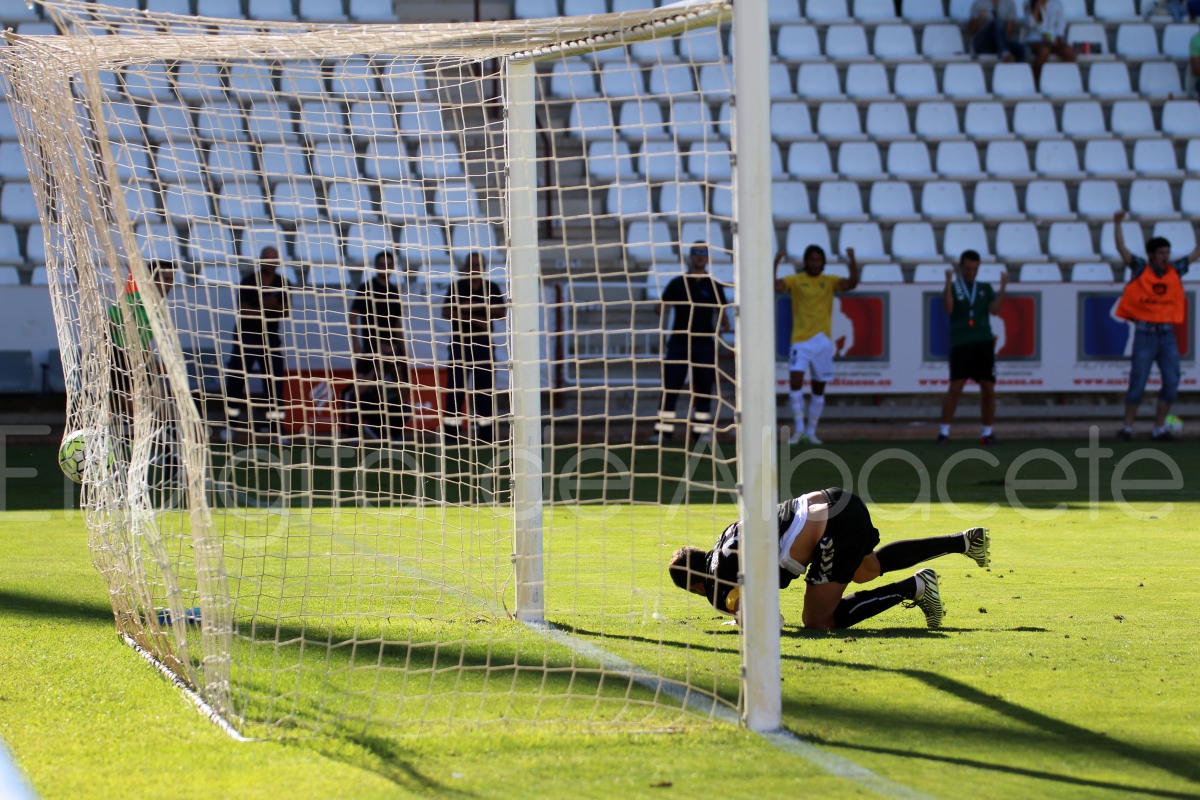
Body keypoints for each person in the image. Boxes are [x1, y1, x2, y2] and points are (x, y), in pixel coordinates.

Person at [668, 488, 991, 630]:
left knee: (818, 621)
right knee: (867, 569)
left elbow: (771, 623)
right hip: (836, 500)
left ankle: (915, 587)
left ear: (695, 587)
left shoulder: (714, 586)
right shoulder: (726, 535)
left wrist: (742, 619)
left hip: (830, 530)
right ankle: (963, 542)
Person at [1112, 211, 1199, 442]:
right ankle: (1127, 428)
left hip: (1166, 333)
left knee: (1172, 380)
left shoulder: (1174, 270)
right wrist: (1117, 225)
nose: (1166, 256)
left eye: (1168, 252)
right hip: (1145, 331)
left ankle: (1159, 427)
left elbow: (1196, 253)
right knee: (1138, 380)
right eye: (1162, 252)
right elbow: (1122, 251)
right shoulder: (1141, 268)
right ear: (1151, 254)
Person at [774, 245, 859, 446]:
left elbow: (852, 284)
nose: (814, 263)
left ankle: (811, 432)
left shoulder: (829, 281)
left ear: (823, 262)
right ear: (806, 261)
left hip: (822, 341)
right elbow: (773, 285)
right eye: (811, 259)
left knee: (819, 389)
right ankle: (799, 430)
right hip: (800, 341)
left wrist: (852, 260)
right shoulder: (796, 280)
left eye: (818, 259)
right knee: (795, 383)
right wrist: (776, 262)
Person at [653, 243, 732, 444]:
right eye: (696, 253)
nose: (700, 256)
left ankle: (701, 433)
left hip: (704, 343)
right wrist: (661, 306)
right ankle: (663, 432)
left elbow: (723, 313)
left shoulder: (714, 285)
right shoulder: (678, 283)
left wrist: (723, 322)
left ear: (707, 258)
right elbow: (660, 307)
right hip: (679, 342)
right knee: (671, 387)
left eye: (704, 253)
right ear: (690, 257)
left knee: (704, 389)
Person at [938, 251, 1007, 446]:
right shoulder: (955, 287)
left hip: (983, 341)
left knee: (988, 388)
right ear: (961, 267)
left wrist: (1003, 286)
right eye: (967, 269)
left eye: (974, 269)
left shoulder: (984, 288)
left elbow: (994, 310)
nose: (971, 273)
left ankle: (987, 433)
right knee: (956, 387)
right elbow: (948, 308)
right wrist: (948, 281)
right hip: (961, 342)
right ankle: (943, 432)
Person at [442, 252, 506, 443]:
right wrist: (477, 317)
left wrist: (472, 306)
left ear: (484, 268)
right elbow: (446, 311)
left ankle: (485, 437)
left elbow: (501, 312)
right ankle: (451, 437)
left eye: (478, 265)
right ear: (465, 268)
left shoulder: (491, 287)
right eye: (471, 265)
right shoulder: (457, 286)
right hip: (460, 345)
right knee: (456, 390)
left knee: (484, 392)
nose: (474, 269)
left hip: (483, 346)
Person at [226, 246, 290, 435]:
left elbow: (286, 311)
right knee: (236, 379)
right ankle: (231, 424)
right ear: (261, 260)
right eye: (267, 258)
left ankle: (276, 429)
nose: (271, 262)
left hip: (270, 339)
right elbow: (244, 310)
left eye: (274, 258)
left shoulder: (282, 282)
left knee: (274, 382)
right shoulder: (249, 281)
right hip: (247, 337)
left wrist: (270, 308)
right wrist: (267, 308)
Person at [108, 260, 175, 437]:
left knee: (164, 407)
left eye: (172, 279)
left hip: (136, 361)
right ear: (152, 280)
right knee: (138, 411)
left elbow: (141, 340)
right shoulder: (133, 301)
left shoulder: (157, 308)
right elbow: (109, 323)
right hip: (118, 360)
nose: (170, 285)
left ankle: (168, 448)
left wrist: (153, 363)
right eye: (166, 279)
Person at [347, 251, 409, 442]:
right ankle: (355, 432)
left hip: (392, 350)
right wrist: (356, 342)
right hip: (371, 349)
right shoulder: (366, 288)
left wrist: (402, 350)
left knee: (402, 391)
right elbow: (353, 315)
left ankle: (393, 432)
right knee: (361, 390)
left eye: (388, 263)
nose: (384, 267)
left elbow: (397, 323)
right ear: (376, 266)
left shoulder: (394, 290)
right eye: (381, 263)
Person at [1020, 0, 1074, 85]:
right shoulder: (1028, 4)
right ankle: (1037, 82)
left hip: (1052, 40)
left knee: (1068, 51)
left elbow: (1061, 27)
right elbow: (1030, 24)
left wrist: (1058, 39)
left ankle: (1065, 80)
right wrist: (1037, 7)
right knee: (1044, 51)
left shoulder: (1057, 5)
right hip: (1035, 40)